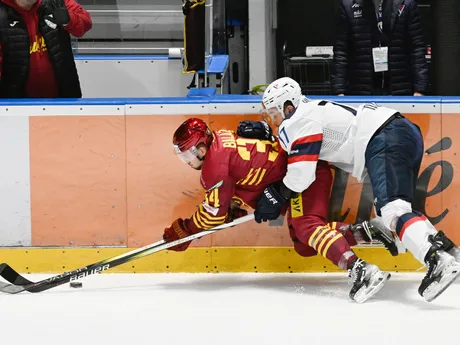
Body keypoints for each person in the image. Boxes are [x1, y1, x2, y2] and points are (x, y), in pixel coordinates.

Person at [255, 76, 460, 303]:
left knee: (393, 211)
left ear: (288, 106)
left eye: (274, 114)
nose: (273, 120)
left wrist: (277, 194)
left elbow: (301, 176)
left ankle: (436, 259)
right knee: (398, 209)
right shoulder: (310, 111)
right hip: (402, 131)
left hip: (384, 137)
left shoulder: (298, 121)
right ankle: (450, 253)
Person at [164, 117, 394, 303]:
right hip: (299, 172)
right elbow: (239, 176)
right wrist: (229, 206)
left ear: (201, 148)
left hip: (301, 176)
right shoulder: (220, 139)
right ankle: (367, 232)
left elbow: (212, 214)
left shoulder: (213, 167)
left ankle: (362, 271)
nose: (186, 161)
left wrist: (186, 230)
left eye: (187, 154)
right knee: (303, 245)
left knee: (307, 228)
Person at [331, 0, 429, 96]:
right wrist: (339, 91)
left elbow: (417, 49)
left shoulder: (406, 4)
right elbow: (341, 51)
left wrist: (420, 89)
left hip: (399, 87)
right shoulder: (348, 5)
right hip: (361, 89)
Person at [0, 0, 92, 98]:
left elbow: (85, 22)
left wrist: (69, 19)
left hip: (63, 99)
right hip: (15, 105)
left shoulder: (56, 2)